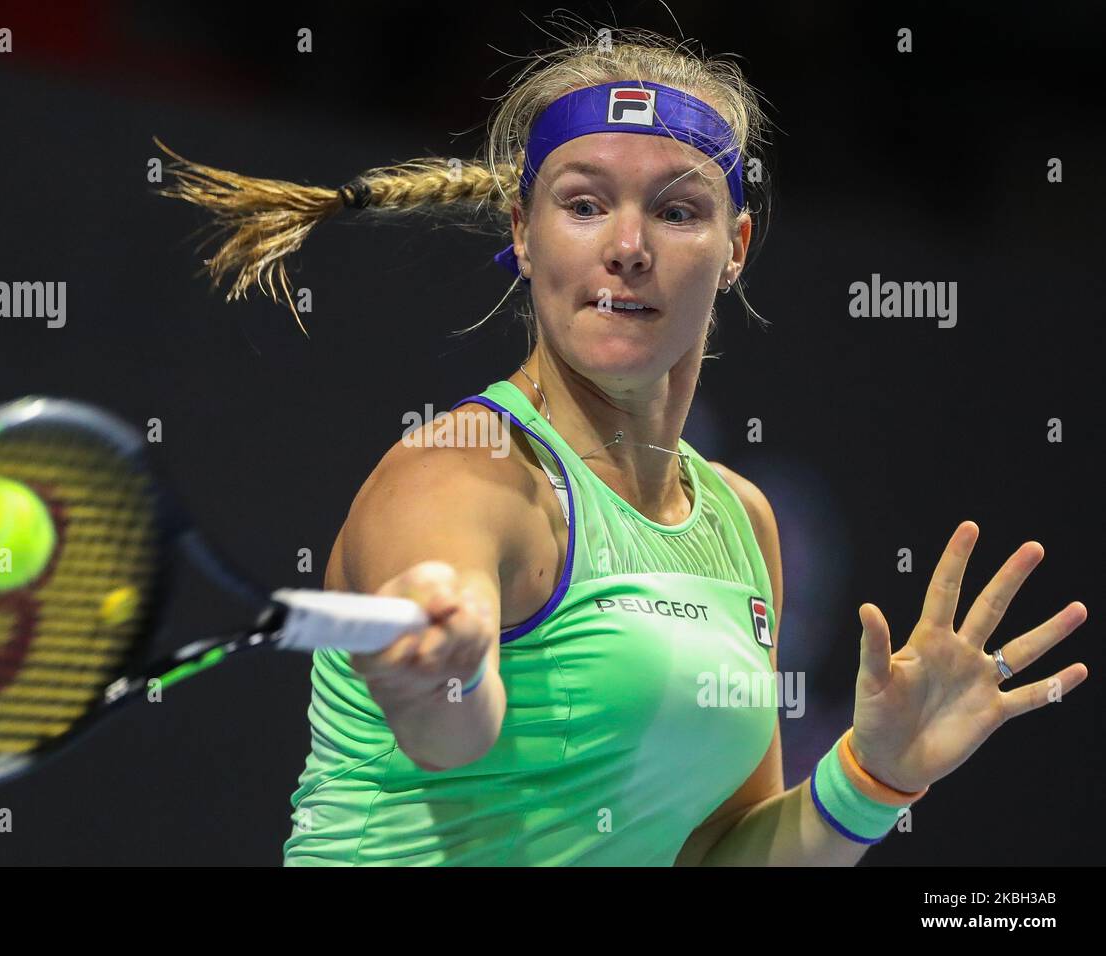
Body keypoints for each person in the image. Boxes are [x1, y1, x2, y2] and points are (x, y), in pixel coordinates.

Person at [156, 24, 1089, 866]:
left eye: (678, 212)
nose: (629, 247)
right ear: (524, 233)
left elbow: (718, 853)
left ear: (737, 246)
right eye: (585, 204)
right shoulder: (461, 474)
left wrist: (873, 779)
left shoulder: (740, 520)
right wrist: (436, 677)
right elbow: (451, 729)